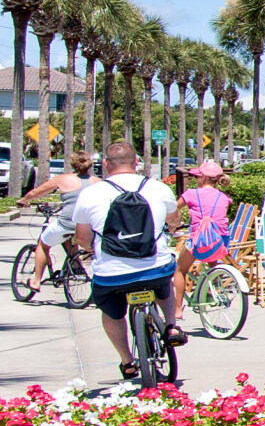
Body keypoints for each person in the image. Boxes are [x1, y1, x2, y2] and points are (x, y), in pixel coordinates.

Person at [64, 141, 183, 378]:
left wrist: (93, 248)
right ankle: (171, 326)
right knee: (165, 283)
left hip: (111, 274)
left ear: (106, 164)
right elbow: (174, 222)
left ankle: (127, 360)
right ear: (136, 162)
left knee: (110, 312)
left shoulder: (91, 193)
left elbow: (82, 238)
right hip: (155, 267)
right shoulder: (158, 188)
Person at [179, 154, 237, 289]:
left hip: (200, 243)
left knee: (179, 270)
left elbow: (172, 209)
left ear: (204, 177)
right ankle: (214, 290)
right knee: (211, 256)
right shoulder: (224, 197)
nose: (196, 179)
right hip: (220, 244)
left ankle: (177, 310)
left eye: (197, 176)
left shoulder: (191, 194)